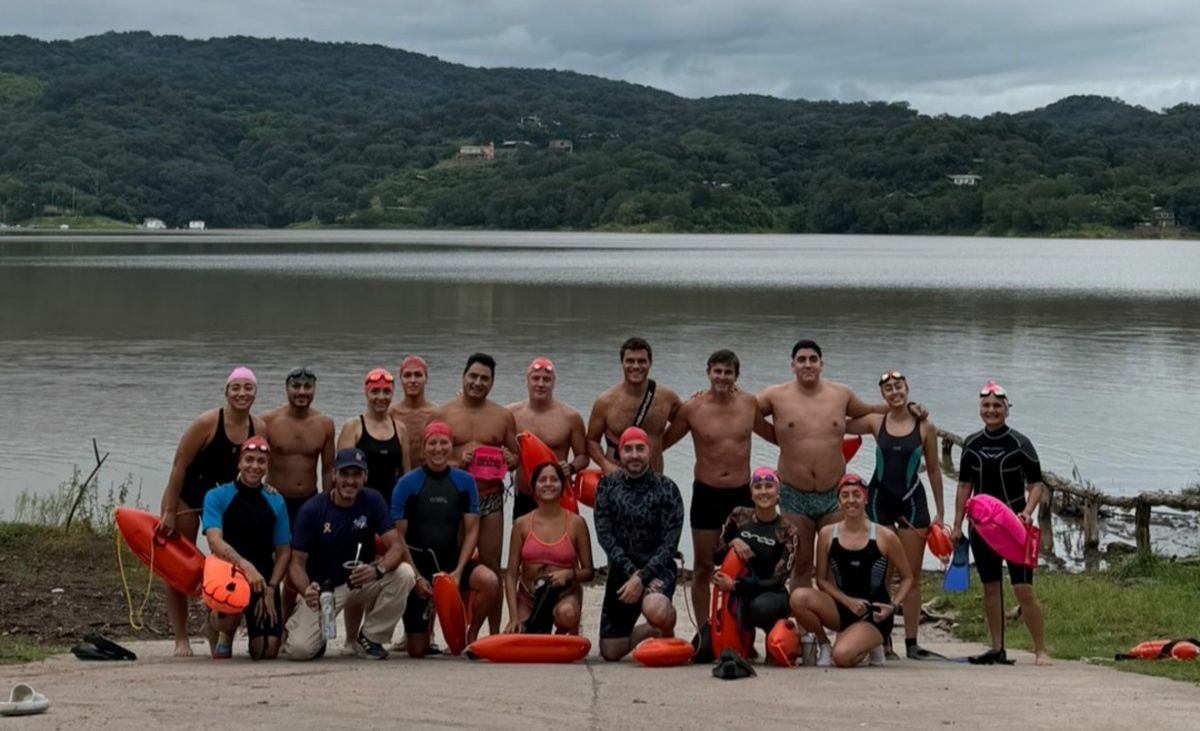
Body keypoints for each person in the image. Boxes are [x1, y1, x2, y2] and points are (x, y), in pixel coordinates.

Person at [757, 340, 905, 587]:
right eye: (801, 360)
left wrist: (903, 408)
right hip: (794, 495)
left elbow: (868, 410)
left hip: (834, 494)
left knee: (837, 563)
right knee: (801, 563)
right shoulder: (775, 395)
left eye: (813, 359)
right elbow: (744, 411)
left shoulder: (841, 393)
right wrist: (779, 438)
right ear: (792, 365)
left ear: (821, 364)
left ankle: (840, 622)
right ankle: (802, 623)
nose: (807, 364)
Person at [157, 366, 268, 656]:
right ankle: (181, 637)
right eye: (236, 388)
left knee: (224, 563)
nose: (242, 393)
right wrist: (169, 510)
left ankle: (214, 625)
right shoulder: (207, 423)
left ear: (256, 393)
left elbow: (257, 468)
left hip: (224, 500)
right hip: (187, 498)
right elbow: (179, 465)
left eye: (248, 388)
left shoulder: (259, 427)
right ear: (226, 392)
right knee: (177, 569)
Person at [662, 349, 773, 621]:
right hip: (707, 493)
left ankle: (739, 629)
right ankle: (704, 630)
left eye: (728, 372)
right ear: (708, 372)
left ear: (736, 376)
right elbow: (661, 443)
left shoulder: (749, 404)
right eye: (717, 371)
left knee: (745, 565)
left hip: (742, 495)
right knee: (703, 565)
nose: (722, 377)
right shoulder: (692, 408)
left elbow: (776, 436)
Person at [845, 370, 945, 660]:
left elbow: (935, 470)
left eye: (898, 387)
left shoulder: (925, 426)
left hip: (913, 501)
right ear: (882, 395)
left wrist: (940, 511)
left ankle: (912, 644)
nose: (894, 392)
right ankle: (882, 639)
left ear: (907, 388)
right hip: (879, 501)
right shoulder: (876, 422)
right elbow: (840, 423)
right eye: (888, 389)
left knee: (910, 575)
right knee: (880, 573)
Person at [950, 381, 1050, 666]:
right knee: (990, 587)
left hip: (1015, 525)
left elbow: (1036, 485)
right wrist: (957, 525)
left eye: (997, 406)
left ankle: (1040, 649)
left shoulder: (1020, 443)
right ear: (980, 409)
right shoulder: (971, 443)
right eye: (986, 406)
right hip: (981, 527)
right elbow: (963, 486)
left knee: (1023, 589)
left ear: (1006, 409)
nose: (991, 410)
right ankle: (996, 648)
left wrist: (1028, 511)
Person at [284, 448, 417, 661]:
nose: (350, 481)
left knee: (405, 574)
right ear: (334, 475)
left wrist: (377, 569)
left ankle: (371, 636)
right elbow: (296, 564)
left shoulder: (373, 500)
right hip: (325, 591)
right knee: (299, 651)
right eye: (345, 474)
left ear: (365, 476)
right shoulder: (313, 509)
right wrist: (306, 589)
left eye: (356, 474)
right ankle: (312, 634)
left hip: (361, 580)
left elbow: (396, 546)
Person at [391, 421, 501, 657]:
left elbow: (472, 529)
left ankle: (472, 635)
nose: (438, 449)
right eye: (432, 443)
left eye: (444, 443)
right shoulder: (407, 483)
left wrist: (460, 570)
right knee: (417, 651)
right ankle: (424, 628)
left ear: (452, 446)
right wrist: (416, 577)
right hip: (419, 566)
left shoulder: (464, 481)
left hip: (451, 562)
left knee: (490, 581)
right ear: (423, 447)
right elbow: (397, 536)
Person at [428, 353, 517, 634]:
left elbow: (516, 457)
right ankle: (430, 632)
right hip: (453, 498)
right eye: (473, 377)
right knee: (444, 563)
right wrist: (457, 461)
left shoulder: (503, 416)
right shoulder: (444, 413)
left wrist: (510, 458)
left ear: (492, 383)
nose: (478, 383)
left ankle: (490, 633)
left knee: (492, 567)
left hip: (489, 496)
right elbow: (430, 457)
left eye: (484, 379)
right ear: (463, 377)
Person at [789, 474, 914, 668]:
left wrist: (893, 606)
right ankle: (825, 644)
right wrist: (847, 601)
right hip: (841, 608)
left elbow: (908, 577)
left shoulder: (885, 536)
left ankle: (871, 643)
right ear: (838, 501)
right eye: (845, 495)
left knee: (843, 658)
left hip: (874, 614)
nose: (851, 501)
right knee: (798, 598)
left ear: (866, 498)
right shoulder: (827, 534)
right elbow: (821, 580)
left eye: (856, 495)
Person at [593, 427, 684, 661]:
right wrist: (632, 575)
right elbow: (605, 537)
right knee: (610, 653)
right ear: (619, 454)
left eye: (640, 449)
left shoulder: (668, 489)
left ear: (650, 452)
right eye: (628, 449)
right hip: (622, 572)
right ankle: (653, 630)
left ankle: (663, 623)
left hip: (658, 570)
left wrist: (642, 578)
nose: (634, 455)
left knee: (656, 608)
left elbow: (669, 544)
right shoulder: (607, 486)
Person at [201, 436, 291, 660]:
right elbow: (214, 541)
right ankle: (221, 628)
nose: (254, 466)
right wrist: (244, 565)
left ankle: (249, 622)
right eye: (249, 460)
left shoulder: (276, 499)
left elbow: (284, 551)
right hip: (228, 570)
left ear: (267, 467)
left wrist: (271, 587)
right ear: (239, 463)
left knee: (266, 651)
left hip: (262, 577)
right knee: (229, 615)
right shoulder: (217, 496)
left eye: (261, 461)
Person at [503, 462, 595, 635]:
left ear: (563, 486)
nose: (548, 484)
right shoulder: (521, 524)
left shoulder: (577, 523)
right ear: (534, 487)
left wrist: (569, 574)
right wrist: (513, 617)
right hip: (528, 597)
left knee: (566, 614)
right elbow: (511, 575)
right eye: (542, 480)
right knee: (520, 636)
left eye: (554, 479)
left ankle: (567, 630)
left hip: (564, 596)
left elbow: (589, 572)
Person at [712, 467, 799, 642]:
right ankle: (746, 640)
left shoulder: (789, 531)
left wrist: (735, 586)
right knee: (703, 648)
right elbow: (717, 558)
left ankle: (773, 637)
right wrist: (733, 542)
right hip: (740, 595)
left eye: (769, 486)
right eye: (758, 487)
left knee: (760, 608)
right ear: (751, 494)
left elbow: (778, 580)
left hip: (772, 596)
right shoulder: (739, 516)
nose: (763, 491)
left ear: (778, 493)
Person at [507, 357, 589, 522]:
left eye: (547, 379)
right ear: (527, 381)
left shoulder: (570, 417)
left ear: (553, 383)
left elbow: (584, 456)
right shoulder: (510, 414)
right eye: (535, 378)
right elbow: (489, 436)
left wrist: (571, 467)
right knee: (523, 544)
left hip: (559, 495)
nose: (541, 383)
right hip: (525, 495)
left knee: (564, 546)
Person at [586, 337, 682, 475]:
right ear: (622, 363)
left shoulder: (667, 398)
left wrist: (659, 446)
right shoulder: (605, 401)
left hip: (654, 479)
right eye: (630, 361)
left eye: (642, 361)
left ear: (650, 363)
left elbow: (687, 420)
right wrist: (604, 464)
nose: (636, 366)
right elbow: (592, 441)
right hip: (617, 479)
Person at [262, 367, 336, 523]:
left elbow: (328, 470)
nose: (302, 392)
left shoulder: (325, 425)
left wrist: (328, 504)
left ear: (314, 389)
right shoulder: (267, 422)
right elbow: (253, 461)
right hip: (274, 499)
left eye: (308, 387)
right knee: (275, 546)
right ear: (286, 389)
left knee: (306, 547)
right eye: (296, 386)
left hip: (309, 500)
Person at [337, 368, 410, 505]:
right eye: (375, 391)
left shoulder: (400, 429)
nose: (381, 397)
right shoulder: (353, 427)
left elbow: (405, 475)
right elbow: (342, 475)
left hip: (391, 503)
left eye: (386, 392)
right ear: (366, 393)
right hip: (358, 503)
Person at [389, 355, 438, 469]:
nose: (413, 380)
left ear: (426, 378)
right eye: (407, 375)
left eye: (418, 375)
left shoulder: (436, 413)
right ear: (400, 380)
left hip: (428, 475)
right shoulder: (391, 414)